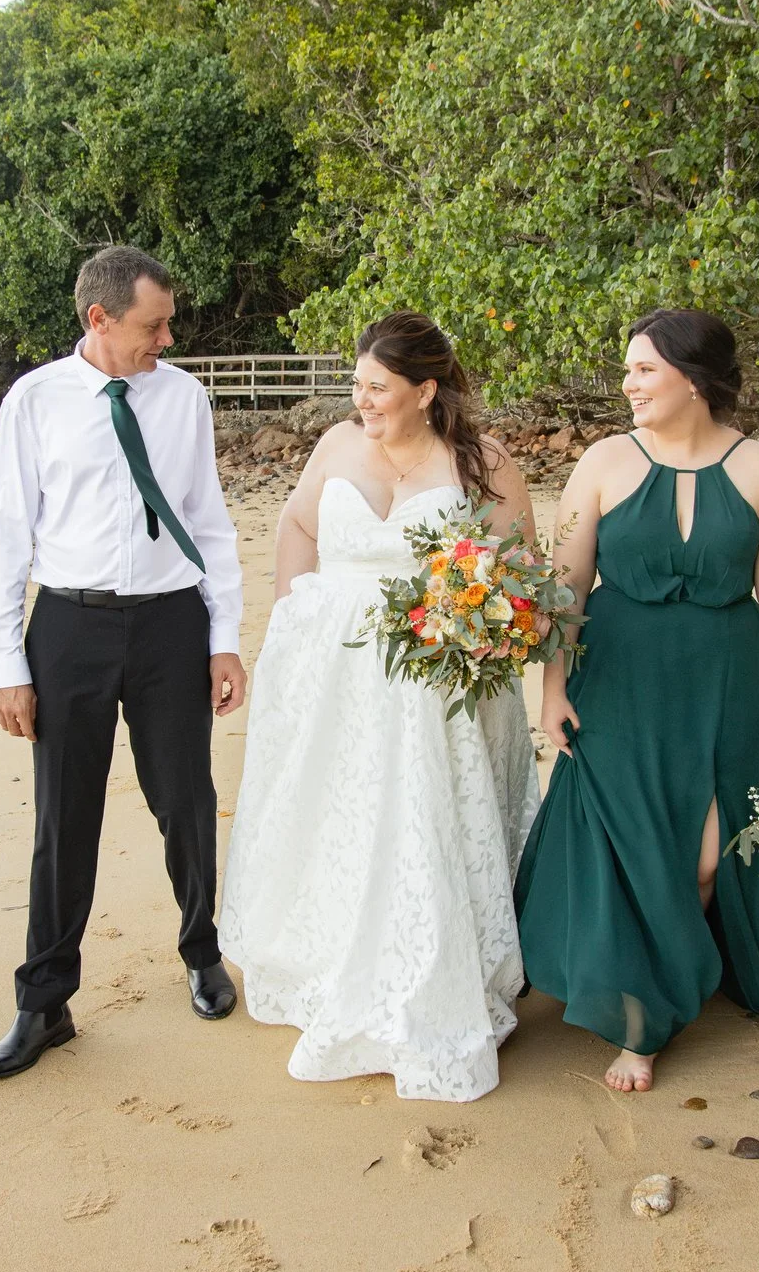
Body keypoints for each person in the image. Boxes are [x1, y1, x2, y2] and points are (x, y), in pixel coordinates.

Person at [514, 309, 759, 1093]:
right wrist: (552, 688)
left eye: (644, 369)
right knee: (635, 848)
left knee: (704, 859)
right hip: (619, 679)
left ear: (694, 378)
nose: (629, 384)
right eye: (628, 370)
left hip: (727, 682)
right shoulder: (601, 462)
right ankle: (641, 1023)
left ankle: (685, 969)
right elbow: (565, 588)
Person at [221, 314, 539, 1101]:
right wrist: (294, 615)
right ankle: (335, 962)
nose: (361, 400)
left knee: (418, 827)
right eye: (357, 384)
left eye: (378, 388)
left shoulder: (482, 463)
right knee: (344, 821)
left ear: (425, 391)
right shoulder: (335, 446)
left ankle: (429, 978)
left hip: (437, 692)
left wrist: (476, 637)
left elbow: (521, 580)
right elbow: (297, 525)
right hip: (335, 681)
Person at [0, 246, 248, 1080]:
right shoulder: (35, 401)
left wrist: (222, 632)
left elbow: (208, 518)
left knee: (186, 799)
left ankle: (203, 952)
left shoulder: (183, 397)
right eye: (152, 324)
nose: (167, 336)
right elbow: (3, 535)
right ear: (100, 319)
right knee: (64, 816)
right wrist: (3, 663)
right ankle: (43, 1001)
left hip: (169, 623)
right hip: (68, 626)